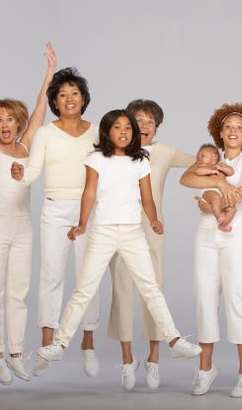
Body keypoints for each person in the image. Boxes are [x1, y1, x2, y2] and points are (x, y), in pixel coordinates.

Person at [36, 109, 202, 372]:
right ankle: (60, 344)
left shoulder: (141, 161)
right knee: (84, 289)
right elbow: (89, 193)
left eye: (127, 127)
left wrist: (154, 219)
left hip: (132, 233)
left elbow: (146, 197)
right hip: (102, 232)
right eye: (117, 127)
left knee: (150, 288)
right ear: (107, 132)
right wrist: (81, 223)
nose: (123, 132)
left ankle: (174, 339)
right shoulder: (96, 159)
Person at [0, 44, 56, 385]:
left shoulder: (28, 143)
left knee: (19, 292)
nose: (3, 124)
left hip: (23, 227)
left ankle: (17, 352)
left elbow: (40, 108)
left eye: (9, 119)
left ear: (18, 123)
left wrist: (49, 71)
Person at [11, 66, 101, 378]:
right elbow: (34, 171)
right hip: (54, 209)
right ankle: (47, 345)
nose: (69, 98)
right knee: (51, 275)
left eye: (74, 93)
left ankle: (88, 344)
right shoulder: (46, 133)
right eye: (62, 94)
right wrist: (22, 175)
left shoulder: (97, 132)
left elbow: (111, 168)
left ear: (84, 98)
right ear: (55, 102)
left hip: (89, 210)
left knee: (88, 277)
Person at [107, 99, 195, 391]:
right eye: (138, 120)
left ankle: (154, 360)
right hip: (119, 227)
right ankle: (128, 360)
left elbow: (202, 161)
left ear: (156, 127)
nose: (143, 126)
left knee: (153, 291)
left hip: (152, 228)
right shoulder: (112, 152)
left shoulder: (165, 152)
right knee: (122, 291)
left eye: (150, 122)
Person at [180, 102, 242, 398]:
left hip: (237, 232)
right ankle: (206, 368)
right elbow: (186, 178)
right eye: (228, 126)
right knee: (204, 298)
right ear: (219, 131)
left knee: (237, 299)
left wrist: (220, 198)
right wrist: (215, 179)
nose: (233, 131)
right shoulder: (208, 158)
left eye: (239, 127)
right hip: (206, 232)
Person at [194, 143, 236, 232]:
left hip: (221, 192)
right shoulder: (203, 168)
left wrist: (222, 168)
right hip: (209, 191)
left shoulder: (221, 165)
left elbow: (231, 172)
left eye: (202, 156)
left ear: (214, 157)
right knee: (215, 198)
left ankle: (223, 225)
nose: (199, 159)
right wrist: (210, 170)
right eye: (198, 157)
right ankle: (218, 216)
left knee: (232, 209)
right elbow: (198, 172)